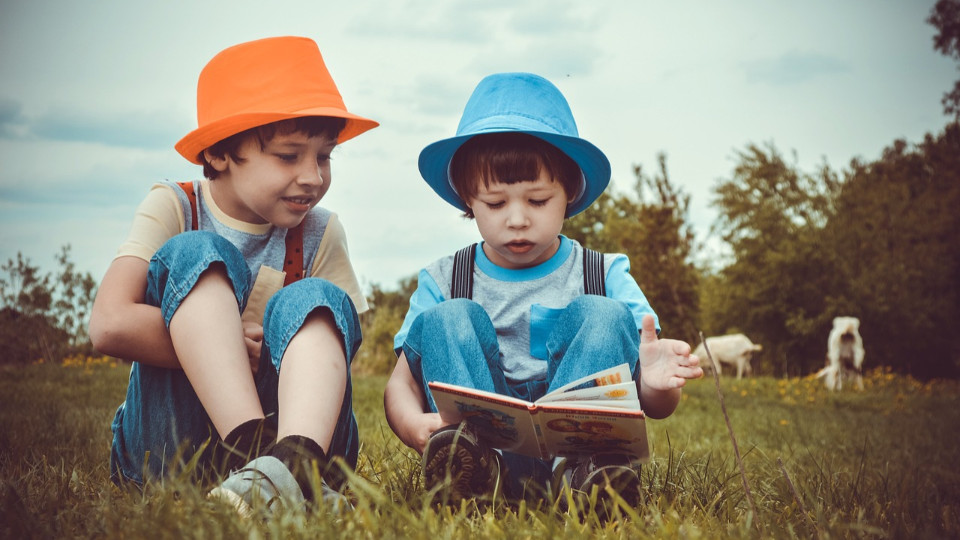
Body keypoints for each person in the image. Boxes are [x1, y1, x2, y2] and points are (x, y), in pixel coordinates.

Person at [88, 36, 378, 515]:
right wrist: (221, 345)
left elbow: (342, 339)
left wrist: (288, 346)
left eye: (324, 156)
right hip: (172, 448)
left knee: (317, 298)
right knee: (197, 252)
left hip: (296, 427)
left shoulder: (322, 230)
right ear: (220, 153)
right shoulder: (175, 206)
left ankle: (295, 464)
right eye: (289, 156)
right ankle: (263, 462)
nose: (313, 176)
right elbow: (110, 323)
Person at [383, 72, 703, 506]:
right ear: (467, 199)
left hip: (580, 451)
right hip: (482, 450)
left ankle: (587, 480)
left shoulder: (604, 273)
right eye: (496, 203)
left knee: (605, 314)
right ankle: (471, 475)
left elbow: (655, 403)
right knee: (447, 318)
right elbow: (400, 383)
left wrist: (658, 386)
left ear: (569, 191)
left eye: (537, 201)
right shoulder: (443, 278)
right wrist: (410, 424)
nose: (517, 219)